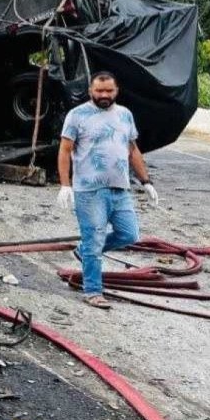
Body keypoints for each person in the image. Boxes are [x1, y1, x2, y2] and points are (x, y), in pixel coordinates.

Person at [57, 71, 158, 309]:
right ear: (91, 90)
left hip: (120, 189)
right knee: (94, 240)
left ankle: (83, 252)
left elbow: (132, 149)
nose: (104, 95)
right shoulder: (77, 115)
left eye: (109, 91)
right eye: (99, 90)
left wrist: (146, 181)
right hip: (89, 191)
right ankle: (93, 291)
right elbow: (64, 150)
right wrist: (65, 184)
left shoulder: (125, 115)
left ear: (116, 91)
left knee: (129, 234)